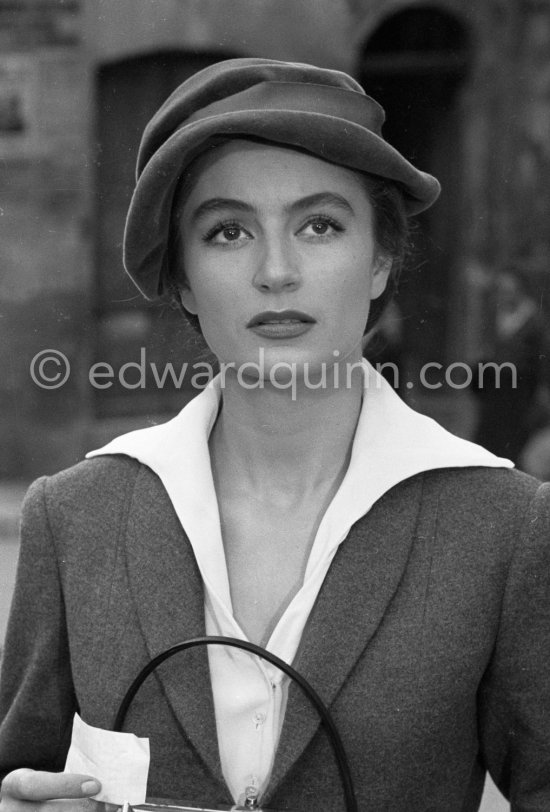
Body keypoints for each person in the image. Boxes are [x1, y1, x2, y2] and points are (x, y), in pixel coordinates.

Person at [0, 58, 549, 812]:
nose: (277, 270)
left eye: (320, 225)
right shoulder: (75, 517)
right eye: (227, 231)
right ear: (183, 278)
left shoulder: (508, 526)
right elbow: (14, 773)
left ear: (382, 258)